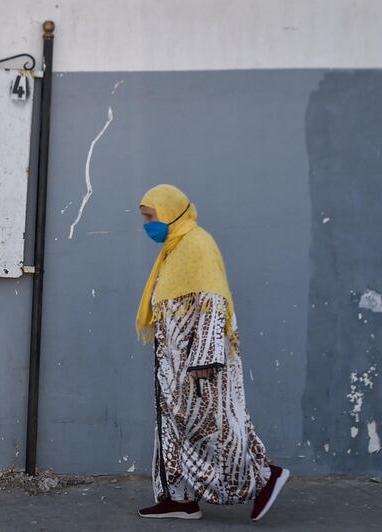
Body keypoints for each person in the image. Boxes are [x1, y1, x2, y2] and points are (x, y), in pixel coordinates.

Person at [135, 184, 289, 521]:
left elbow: (213, 303)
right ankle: (178, 498)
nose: (147, 225)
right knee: (172, 429)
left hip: (198, 364)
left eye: (150, 217)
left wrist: (204, 357)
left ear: (170, 212)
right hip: (173, 364)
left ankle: (264, 478)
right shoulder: (174, 248)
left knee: (214, 428)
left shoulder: (197, 244)